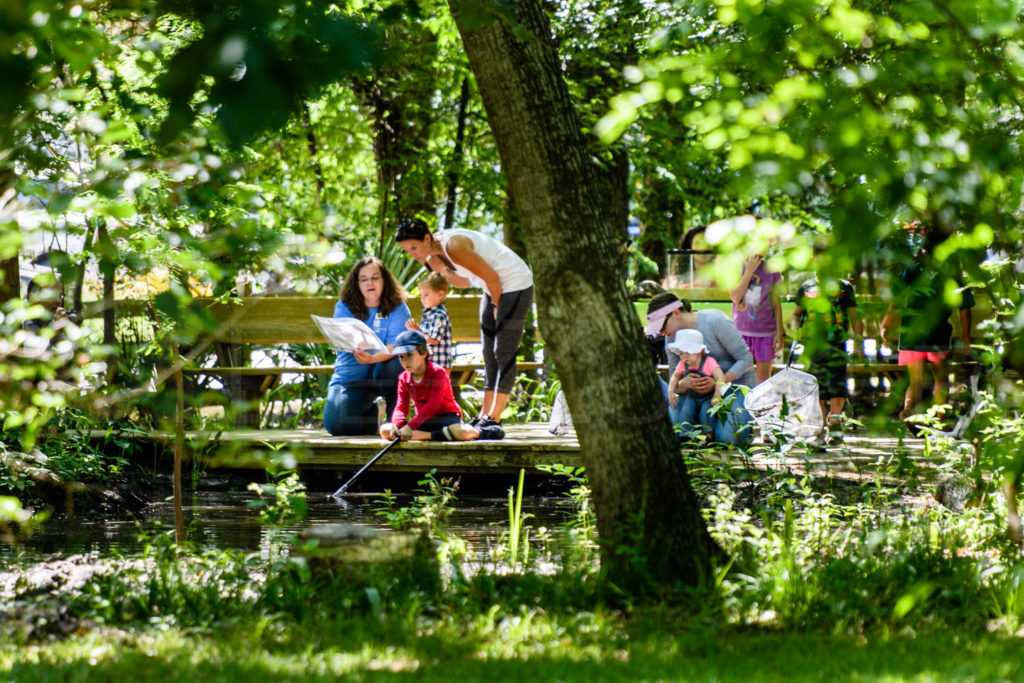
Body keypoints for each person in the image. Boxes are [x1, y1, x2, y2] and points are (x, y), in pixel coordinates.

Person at [395, 218, 534, 429]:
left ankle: (495, 417)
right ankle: (484, 414)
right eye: (407, 250)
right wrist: (441, 268)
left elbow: (493, 276)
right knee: (488, 352)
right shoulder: (433, 256)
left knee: (503, 351)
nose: (412, 254)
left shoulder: (453, 245)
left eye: (414, 247)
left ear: (426, 238)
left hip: (514, 283)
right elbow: (463, 282)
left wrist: (497, 304)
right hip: (491, 287)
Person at [880, 229, 973, 422]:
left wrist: (885, 325)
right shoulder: (952, 271)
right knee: (940, 378)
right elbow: (964, 307)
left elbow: (896, 300)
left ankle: (907, 409)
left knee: (916, 380)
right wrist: (965, 335)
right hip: (937, 331)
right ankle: (939, 418)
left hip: (912, 332)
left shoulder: (912, 268)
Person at [644, 292, 756, 447]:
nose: (661, 333)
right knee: (674, 435)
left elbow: (746, 359)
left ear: (676, 313)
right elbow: (675, 378)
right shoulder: (671, 338)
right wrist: (684, 384)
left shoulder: (714, 320)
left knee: (727, 440)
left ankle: (725, 427)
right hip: (694, 395)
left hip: (735, 387)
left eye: (662, 327)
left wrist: (718, 382)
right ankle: (705, 427)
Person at [323, 257, 411, 436]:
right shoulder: (345, 306)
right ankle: (375, 415)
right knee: (336, 426)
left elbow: (398, 345)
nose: (369, 283)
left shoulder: (398, 307)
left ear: (384, 280)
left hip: (383, 372)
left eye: (375, 277)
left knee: (397, 363)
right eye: (364, 279)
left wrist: (372, 358)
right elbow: (342, 338)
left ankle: (396, 421)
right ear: (357, 284)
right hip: (352, 376)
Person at [379, 330, 505, 441]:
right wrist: (396, 424)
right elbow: (401, 407)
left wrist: (410, 427)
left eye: (409, 355)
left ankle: (483, 431)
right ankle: (437, 435)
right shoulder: (404, 378)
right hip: (424, 421)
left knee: (460, 433)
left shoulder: (437, 373)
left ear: (423, 353)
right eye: (401, 357)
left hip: (446, 417)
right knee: (385, 430)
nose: (405, 361)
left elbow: (433, 405)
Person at [793, 272, 863, 447]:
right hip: (812, 345)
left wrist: (858, 344)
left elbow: (854, 316)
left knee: (837, 383)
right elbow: (796, 314)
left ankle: (835, 424)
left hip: (837, 343)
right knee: (816, 385)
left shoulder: (844, 287)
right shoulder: (806, 287)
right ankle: (817, 429)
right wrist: (796, 333)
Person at [730, 253, 784, 384]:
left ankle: (763, 404)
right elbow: (736, 297)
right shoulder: (735, 267)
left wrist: (780, 333)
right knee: (739, 379)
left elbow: (776, 303)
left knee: (764, 381)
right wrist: (749, 271)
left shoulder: (773, 269)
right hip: (741, 331)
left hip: (766, 332)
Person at [666, 329, 727, 440]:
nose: (684, 356)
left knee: (706, 413)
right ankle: (686, 435)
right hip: (691, 395)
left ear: (699, 351)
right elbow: (675, 377)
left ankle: (708, 435)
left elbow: (720, 376)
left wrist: (717, 395)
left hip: (707, 396)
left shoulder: (709, 362)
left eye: (688, 352)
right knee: (686, 412)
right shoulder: (683, 364)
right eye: (681, 353)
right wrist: (670, 391)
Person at [405, 271, 453, 373]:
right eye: (421, 295)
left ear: (440, 294)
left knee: (436, 388)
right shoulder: (430, 313)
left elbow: (433, 340)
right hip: (429, 362)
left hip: (439, 364)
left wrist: (417, 331)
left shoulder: (439, 314)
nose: (422, 299)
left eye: (426, 295)